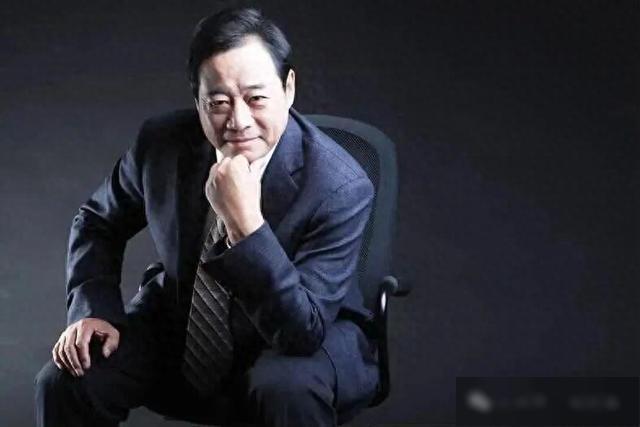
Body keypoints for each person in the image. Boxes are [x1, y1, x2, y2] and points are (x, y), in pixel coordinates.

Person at [34, 7, 378, 427]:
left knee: (283, 387)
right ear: (197, 100)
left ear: (288, 89)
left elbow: (301, 331)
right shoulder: (161, 144)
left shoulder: (340, 185)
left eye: (256, 98)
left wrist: (246, 225)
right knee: (67, 380)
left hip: (304, 333)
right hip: (180, 322)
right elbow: (97, 221)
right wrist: (94, 309)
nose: (238, 121)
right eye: (218, 102)